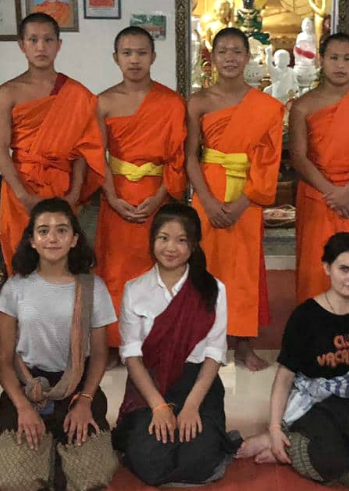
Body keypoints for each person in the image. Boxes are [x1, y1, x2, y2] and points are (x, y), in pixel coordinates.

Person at [236, 232, 349, 488]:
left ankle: (287, 450)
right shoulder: (306, 316)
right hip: (317, 407)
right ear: (327, 268)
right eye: (344, 269)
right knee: (331, 459)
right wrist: (274, 427)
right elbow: (284, 378)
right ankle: (282, 439)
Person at [0, 198, 119, 491]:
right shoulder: (16, 287)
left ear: (74, 239)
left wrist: (86, 400)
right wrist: (23, 407)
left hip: (77, 387)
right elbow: (3, 360)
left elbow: (99, 354)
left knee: (92, 478)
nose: (52, 238)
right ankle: (47, 458)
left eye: (62, 230)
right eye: (43, 230)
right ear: (32, 240)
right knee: (17, 481)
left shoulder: (92, 287)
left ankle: (60, 458)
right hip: (27, 386)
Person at [112, 203, 239, 486]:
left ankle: (211, 439)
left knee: (198, 459)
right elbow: (132, 356)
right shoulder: (135, 290)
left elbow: (214, 354)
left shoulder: (214, 290)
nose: (171, 247)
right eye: (163, 238)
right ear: (152, 241)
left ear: (194, 246)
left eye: (181, 240)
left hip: (197, 384)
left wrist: (192, 405)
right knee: (150, 460)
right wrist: (158, 406)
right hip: (151, 384)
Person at [185, 27, 284, 371]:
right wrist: (208, 201)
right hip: (208, 190)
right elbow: (190, 158)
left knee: (245, 268)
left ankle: (244, 345)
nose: (229, 58)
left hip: (247, 194)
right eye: (222, 51)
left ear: (248, 57)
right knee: (203, 265)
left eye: (236, 51)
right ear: (211, 58)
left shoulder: (267, 107)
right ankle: (200, 341)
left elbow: (268, 162)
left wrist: (244, 202)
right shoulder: (198, 101)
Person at [94, 26, 187, 352]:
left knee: (160, 265)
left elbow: (177, 158)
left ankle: (156, 339)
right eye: (127, 53)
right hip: (117, 196)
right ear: (116, 58)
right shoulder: (103, 102)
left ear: (153, 57)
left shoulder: (172, 102)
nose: (134, 60)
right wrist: (112, 197)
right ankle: (116, 341)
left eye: (141, 53)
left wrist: (160, 197)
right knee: (116, 269)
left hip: (155, 197)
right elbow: (96, 157)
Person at [0, 13, 105, 274]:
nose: (41, 47)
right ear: (22, 45)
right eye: (33, 40)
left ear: (59, 44)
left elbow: (82, 151)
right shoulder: (8, 92)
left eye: (48, 40)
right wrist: (22, 194)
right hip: (21, 185)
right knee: (22, 257)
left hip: (61, 186)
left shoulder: (76, 93)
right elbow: (0, 150)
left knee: (62, 257)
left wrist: (74, 194)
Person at [290, 32, 349, 310]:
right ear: (321, 60)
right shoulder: (303, 105)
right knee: (315, 266)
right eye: (334, 58)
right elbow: (298, 156)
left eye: (348, 58)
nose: (340, 65)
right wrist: (332, 191)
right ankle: (315, 329)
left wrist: (348, 190)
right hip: (317, 195)